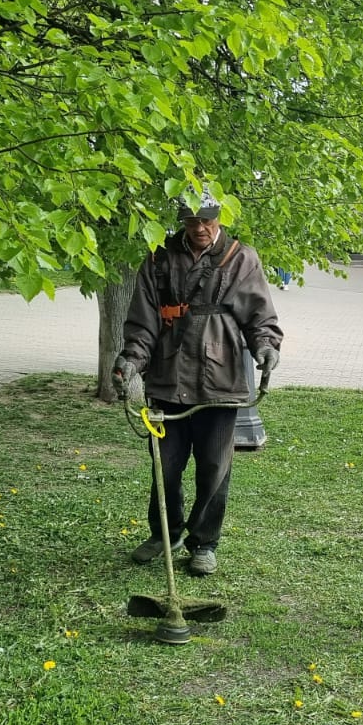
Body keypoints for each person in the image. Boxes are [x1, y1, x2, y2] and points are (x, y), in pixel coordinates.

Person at [112, 198, 283, 576]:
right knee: (165, 467)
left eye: (207, 220)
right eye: (191, 221)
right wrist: (130, 361)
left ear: (219, 219)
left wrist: (267, 346)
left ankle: (204, 543)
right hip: (167, 380)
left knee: (214, 468)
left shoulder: (242, 258)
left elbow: (260, 316)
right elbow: (143, 323)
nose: (199, 228)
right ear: (182, 222)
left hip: (220, 382)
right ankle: (165, 535)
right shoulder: (158, 258)